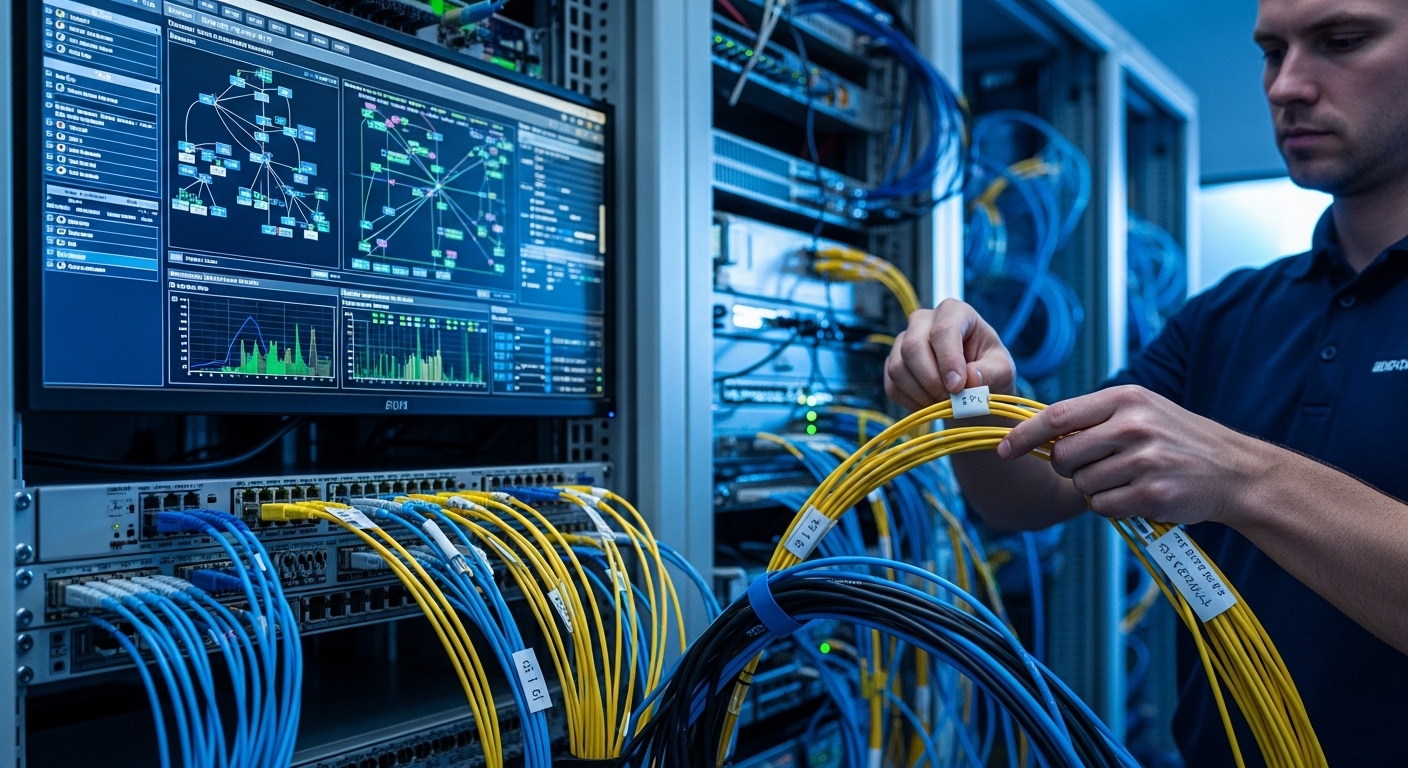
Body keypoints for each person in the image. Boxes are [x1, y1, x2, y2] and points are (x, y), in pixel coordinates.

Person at [884, 0, 1408, 765]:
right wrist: (976, 401)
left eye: (1342, 41)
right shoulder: (1229, 314)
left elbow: (1231, 473)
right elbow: (1032, 498)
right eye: (1270, 51)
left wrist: (1241, 476)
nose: (1286, 84)